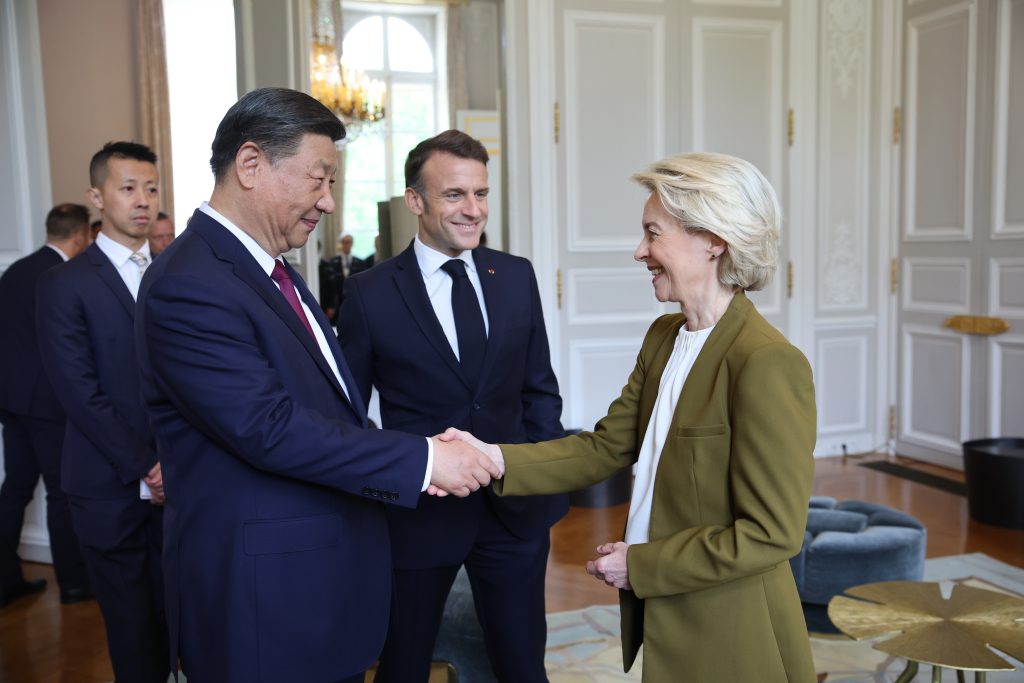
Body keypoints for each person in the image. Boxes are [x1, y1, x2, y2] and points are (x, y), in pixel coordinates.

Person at [134, 87, 501, 683]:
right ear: (251, 165)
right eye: (319, 179)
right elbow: (268, 428)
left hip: (312, 583)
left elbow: (330, 410)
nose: (329, 203)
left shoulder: (271, 271)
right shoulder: (192, 281)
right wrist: (424, 460)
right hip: (263, 602)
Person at [447, 152, 818, 682]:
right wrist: (495, 457)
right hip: (670, 608)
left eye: (653, 233)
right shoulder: (664, 338)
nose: (640, 251)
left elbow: (773, 533)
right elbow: (606, 447)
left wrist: (640, 566)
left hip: (733, 626)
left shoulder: (765, 362)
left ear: (713, 239)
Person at [339, 130, 567, 683]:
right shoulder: (369, 293)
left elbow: (539, 389)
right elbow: (346, 409)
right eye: (454, 195)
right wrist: (400, 472)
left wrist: (541, 479)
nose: (473, 210)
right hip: (420, 517)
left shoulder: (516, 276)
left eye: (481, 194)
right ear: (415, 201)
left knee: (521, 665)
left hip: (514, 514)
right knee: (404, 665)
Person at [36, 142, 169, 683]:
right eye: (128, 188)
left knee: (180, 615)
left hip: (181, 482)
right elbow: (78, 391)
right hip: (109, 485)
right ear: (97, 196)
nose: (143, 200)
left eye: (151, 188)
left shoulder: (171, 275)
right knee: (133, 628)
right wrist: (146, 465)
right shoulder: (66, 283)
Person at [0, 203, 93, 608]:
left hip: (10, 398)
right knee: (61, 491)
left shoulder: (15, 271)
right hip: (46, 403)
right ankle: (73, 582)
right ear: (79, 238)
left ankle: (5, 578)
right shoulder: (58, 277)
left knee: (16, 488)